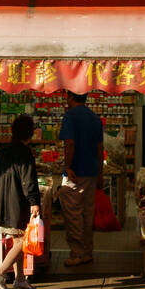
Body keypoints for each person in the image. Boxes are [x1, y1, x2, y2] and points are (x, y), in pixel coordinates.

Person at [0, 115, 41, 289]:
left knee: (18, 239)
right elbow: (28, 181)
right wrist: (34, 201)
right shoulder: (25, 153)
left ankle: (20, 280)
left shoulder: (4, 151)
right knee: (25, 239)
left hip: (3, 202)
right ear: (29, 133)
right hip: (17, 202)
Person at [58, 91, 103, 267]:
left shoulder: (70, 116)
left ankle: (77, 254)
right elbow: (100, 147)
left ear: (70, 97)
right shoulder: (94, 117)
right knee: (87, 214)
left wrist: (68, 167)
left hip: (75, 173)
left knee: (73, 214)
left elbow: (69, 143)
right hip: (92, 171)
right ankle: (87, 252)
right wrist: (100, 173)